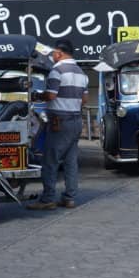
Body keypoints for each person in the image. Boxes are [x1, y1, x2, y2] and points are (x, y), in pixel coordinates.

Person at [28, 39, 89, 211]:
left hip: (59, 121)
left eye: (53, 53)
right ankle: (69, 198)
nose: (52, 56)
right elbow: (84, 100)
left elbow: (51, 96)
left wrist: (38, 96)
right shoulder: (81, 72)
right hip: (76, 121)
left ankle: (47, 199)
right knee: (70, 161)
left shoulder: (57, 70)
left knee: (50, 160)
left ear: (59, 53)